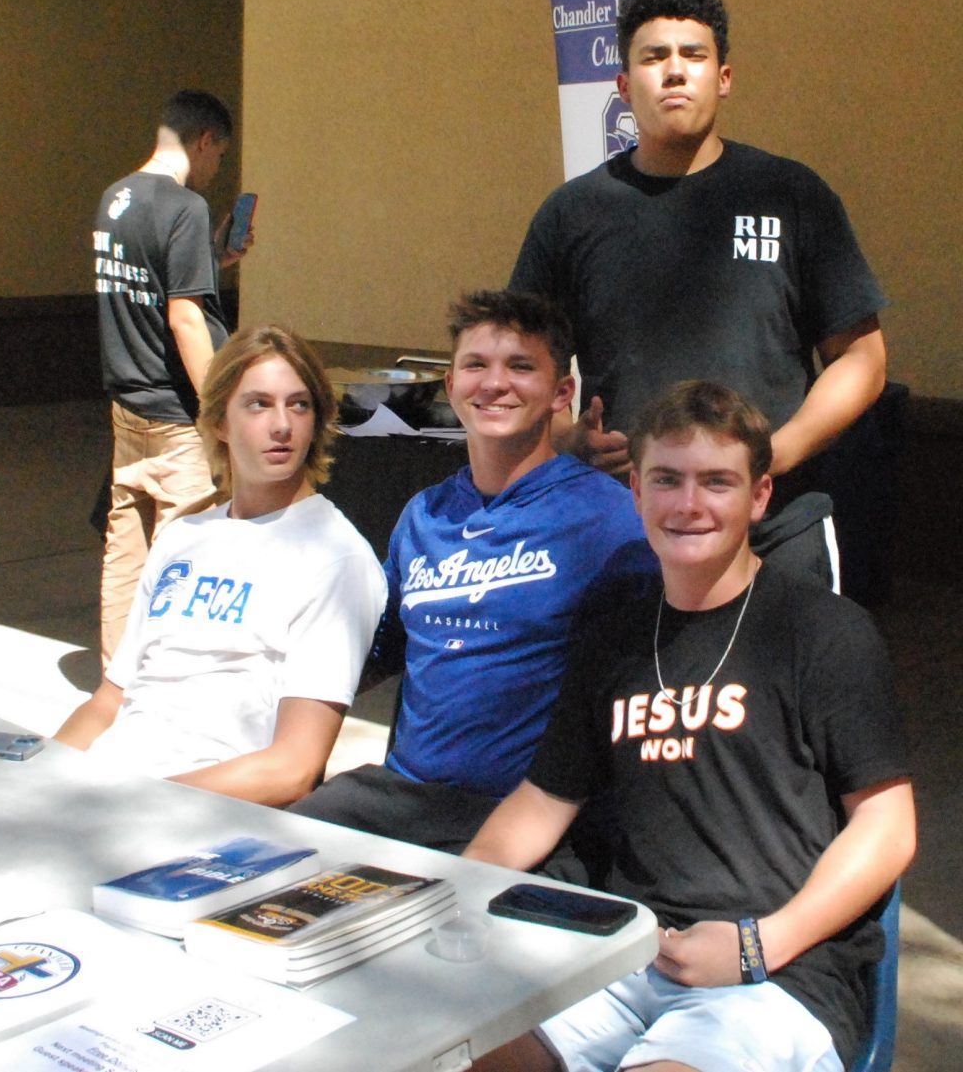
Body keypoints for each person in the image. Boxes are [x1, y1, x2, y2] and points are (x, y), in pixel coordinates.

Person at [464, 380, 915, 1072]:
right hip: (617, 950)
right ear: (636, 492)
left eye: (717, 481)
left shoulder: (824, 632)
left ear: (759, 496)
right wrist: (445, 897)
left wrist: (759, 943)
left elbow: (887, 826)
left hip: (773, 976)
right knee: (454, 1051)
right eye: (667, 479)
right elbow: (541, 802)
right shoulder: (611, 641)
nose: (689, 504)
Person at [509, 0, 888, 587]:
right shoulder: (571, 215)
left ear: (725, 78)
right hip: (629, 525)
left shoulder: (793, 195)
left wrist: (778, 452)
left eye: (694, 55)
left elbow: (863, 359)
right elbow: (521, 363)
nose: (676, 72)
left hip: (778, 523)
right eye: (655, 57)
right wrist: (562, 437)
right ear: (625, 87)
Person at [289, 290, 655, 851]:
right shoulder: (424, 515)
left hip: (524, 816)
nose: (494, 383)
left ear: (563, 392)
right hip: (399, 798)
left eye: (521, 366)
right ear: (452, 384)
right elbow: (374, 651)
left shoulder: (611, 521)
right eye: (475, 365)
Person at [56, 326, 387, 807]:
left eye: (299, 405)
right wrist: (40, 777)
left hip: (195, 812)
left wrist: (136, 801)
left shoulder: (335, 557)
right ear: (218, 423)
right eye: (258, 404)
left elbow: (293, 769)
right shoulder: (183, 537)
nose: (282, 425)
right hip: (104, 790)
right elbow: (110, 700)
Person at [95, 89, 252, 666]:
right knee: (183, 555)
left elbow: (148, 280)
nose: (216, 170)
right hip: (178, 415)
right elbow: (184, 316)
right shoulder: (185, 207)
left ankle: (118, 677)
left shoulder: (116, 198)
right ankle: (168, 677)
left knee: (126, 548)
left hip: (127, 404)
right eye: (219, 155)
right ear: (204, 140)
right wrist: (222, 409)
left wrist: (214, 258)